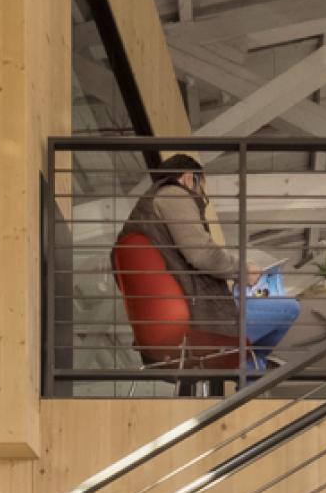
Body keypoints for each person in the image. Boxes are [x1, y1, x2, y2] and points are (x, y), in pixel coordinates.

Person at [124, 158, 296, 371]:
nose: (202, 198)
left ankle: (251, 368)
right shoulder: (173, 195)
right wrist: (242, 270)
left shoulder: (142, 217)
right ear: (189, 178)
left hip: (169, 324)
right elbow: (202, 253)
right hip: (197, 322)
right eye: (201, 190)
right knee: (288, 307)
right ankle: (252, 370)